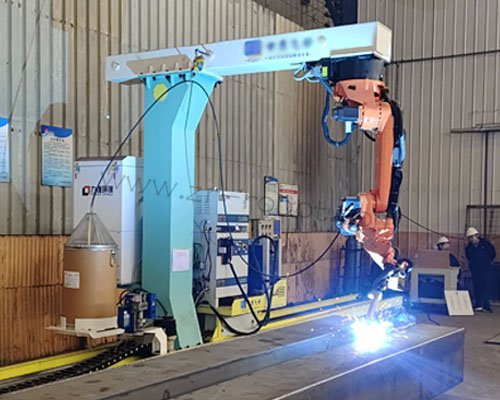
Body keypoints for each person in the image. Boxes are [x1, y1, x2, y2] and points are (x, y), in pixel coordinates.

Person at [465, 227, 496, 312]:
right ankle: (478, 304)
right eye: (470, 237)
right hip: (475, 270)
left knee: (486, 286)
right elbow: (469, 257)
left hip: (486, 269)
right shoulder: (469, 247)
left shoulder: (486, 244)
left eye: (473, 237)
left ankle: (486, 305)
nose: (472, 239)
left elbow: (492, 253)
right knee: (477, 286)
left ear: (477, 236)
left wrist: (486, 261)